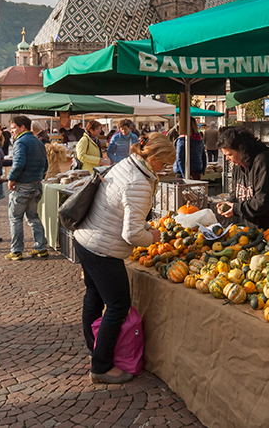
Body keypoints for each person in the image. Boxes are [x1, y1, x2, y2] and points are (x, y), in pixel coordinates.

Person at [73, 133, 176, 385]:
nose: (164, 170)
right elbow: (131, 234)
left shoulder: (126, 163)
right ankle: (102, 366)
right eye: (163, 163)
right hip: (103, 248)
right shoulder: (139, 182)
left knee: (94, 296)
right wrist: (152, 236)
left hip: (86, 237)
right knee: (118, 305)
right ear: (152, 158)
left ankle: (94, 350)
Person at [7, 115, 50, 261]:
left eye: (13, 128)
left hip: (23, 185)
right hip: (37, 185)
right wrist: (39, 176)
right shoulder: (38, 142)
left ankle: (16, 250)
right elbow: (45, 165)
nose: (11, 131)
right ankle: (41, 247)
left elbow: (18, 164)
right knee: (33, 217)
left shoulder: (20, 142)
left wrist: (11, 179)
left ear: (22, 127)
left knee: (16, 218)